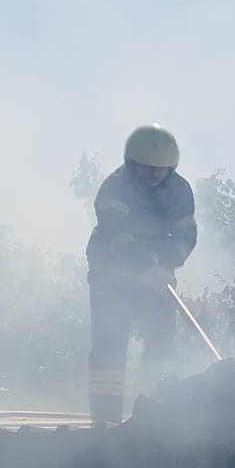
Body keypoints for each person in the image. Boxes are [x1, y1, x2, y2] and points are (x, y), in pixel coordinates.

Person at [87, 124, 198, 426]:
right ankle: (106, 420)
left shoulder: (179, 191)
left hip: (158, 275)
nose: (155, 173)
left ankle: (159, 414)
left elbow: (186, 234)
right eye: (148, 167)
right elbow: (117, 234)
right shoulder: (114, 187)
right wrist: (143, 267)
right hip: (111, 274)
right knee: (110, 344)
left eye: (161, 168)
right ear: (132, 162)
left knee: (162, 342)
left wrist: (166, 264)